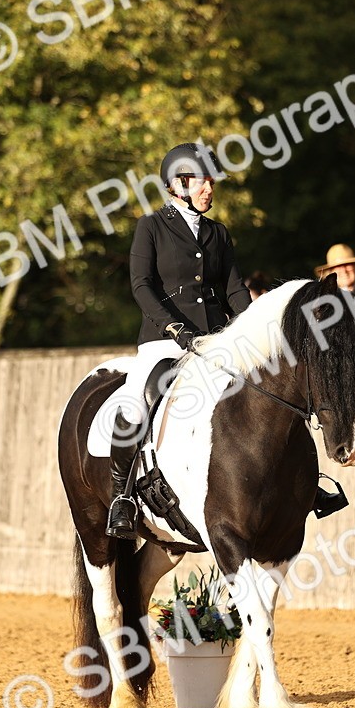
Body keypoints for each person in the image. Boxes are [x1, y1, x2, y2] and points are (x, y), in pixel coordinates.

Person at [108, 142, 251, 539]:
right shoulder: (151, 227)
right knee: (136, 402)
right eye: (203, 181)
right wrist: (174, 328)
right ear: (179, 183)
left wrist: (255, 325)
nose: (210, 188)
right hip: (164, 340)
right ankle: (121, 496)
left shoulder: (218, 233)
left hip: (215, 341)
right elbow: (142, 286)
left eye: (212, 181)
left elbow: (235, 290)